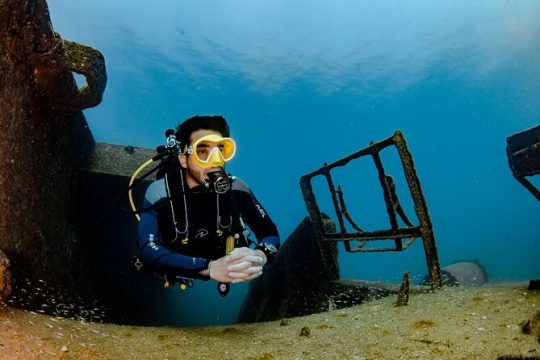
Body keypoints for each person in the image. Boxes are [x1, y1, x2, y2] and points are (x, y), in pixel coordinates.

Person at [137, 115, 280, 292]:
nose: (216, 160)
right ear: (183, 159)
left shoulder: (237, 188)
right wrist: (210, 268)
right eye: (202, 151)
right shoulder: (159, 192)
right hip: (181, 263)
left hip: (219, 258)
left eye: (221, 150)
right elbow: (147, 249)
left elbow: (269, 232)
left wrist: (260, 255)